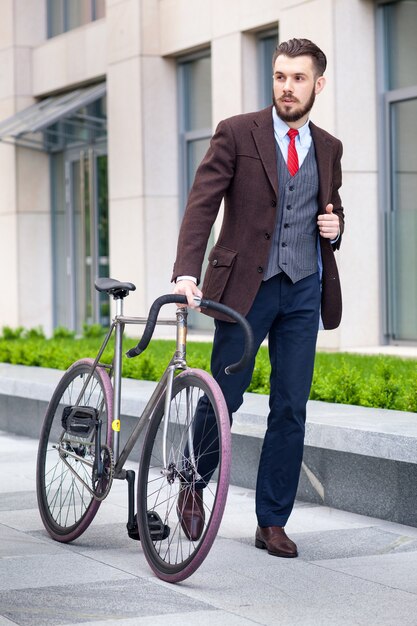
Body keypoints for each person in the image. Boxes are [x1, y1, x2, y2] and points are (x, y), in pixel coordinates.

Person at [172, 38, 344, 558]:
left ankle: (272, 520)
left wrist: (336, 229)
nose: (286, 87)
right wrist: (185, 271)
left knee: (290, 408)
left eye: (297, 78)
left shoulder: (330, 147)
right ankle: (191, 479)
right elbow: (202, 204)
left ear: (318, 84)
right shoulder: (237, 131)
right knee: (226, 396)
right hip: (247, 287)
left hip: (304, 290)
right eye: (279, 77)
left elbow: (330, 212)